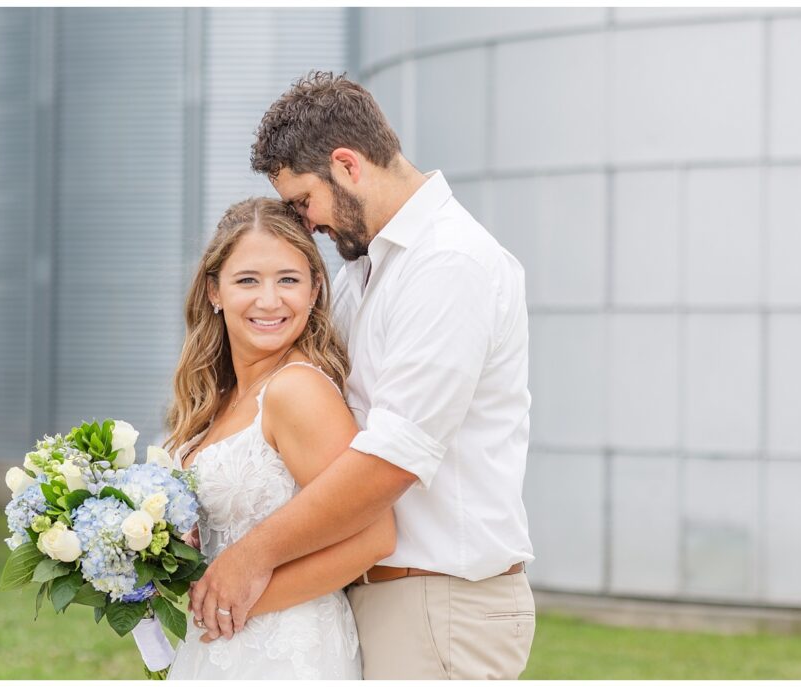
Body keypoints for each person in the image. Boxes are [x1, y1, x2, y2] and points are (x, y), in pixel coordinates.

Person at [188, 71, 536, 680]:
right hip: (370, 600)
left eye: (302, 201)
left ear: (347, 165)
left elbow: (393, 456)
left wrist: (249, 559)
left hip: (438, 599)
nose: (307, 224)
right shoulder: (367, 270)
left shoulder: (448, 263)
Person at [163, 197, 396, 679]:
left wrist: (234, 598)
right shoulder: (214, 400)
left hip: (288, 651)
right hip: (219, 644)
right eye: (248, 280)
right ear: (215, 291)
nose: (270, 300)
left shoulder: (297, 390)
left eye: (288, 280)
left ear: (314, 291)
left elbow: (375, 536)